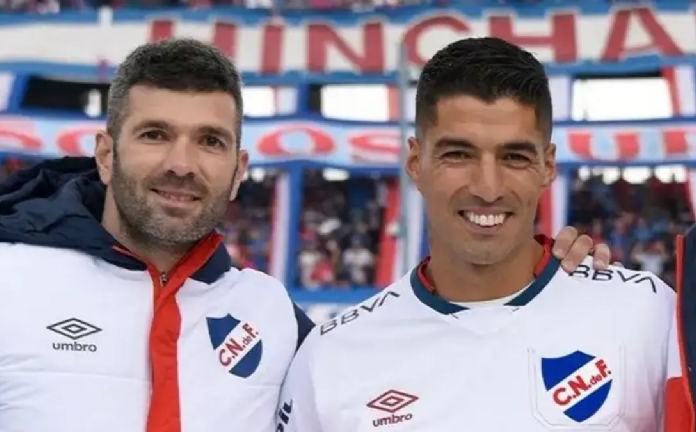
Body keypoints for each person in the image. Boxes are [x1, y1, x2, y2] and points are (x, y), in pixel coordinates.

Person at [0, 39, 606, 432]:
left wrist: (554, 280)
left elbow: (420, 366)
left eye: (210, 141)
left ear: (238, 169)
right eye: (155, 135)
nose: (181, 164)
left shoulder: (274, 316)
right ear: (105, 154)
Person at [276, 37, 678, 432]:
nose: (488, 188)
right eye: (458, 154)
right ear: (416, 163)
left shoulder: (644, 314)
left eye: (514, 157)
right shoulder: (330, 358)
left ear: (548, 166)